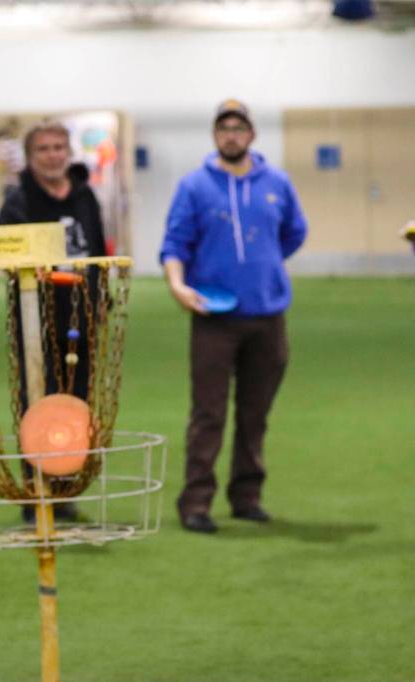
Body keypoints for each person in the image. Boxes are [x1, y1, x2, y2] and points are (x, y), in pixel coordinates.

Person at [159, 99, 307, 534]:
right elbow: (174, 244)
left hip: (268, 316)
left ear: (252, 135)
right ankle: (196, 503)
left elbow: (294, 232)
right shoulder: (194, 186)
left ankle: (247, 496)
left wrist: (262, 267)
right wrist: (177, 284)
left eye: (239, 128)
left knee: (255, 412)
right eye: (223, 128)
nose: (231, 135)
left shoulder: (277, 182)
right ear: (214, 136)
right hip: (213, 317)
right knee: (208, 413)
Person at [0, 120, 107, 524]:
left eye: (60, 147)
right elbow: (5, 257)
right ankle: (35, 494)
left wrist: (101, 302)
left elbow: (97, 250)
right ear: (30, 156)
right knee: (38, 404)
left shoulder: (85, 197)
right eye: (44, 148)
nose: (53, 155)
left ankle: (65, 491)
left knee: (75, 407)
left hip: (83, 319)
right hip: (36, 324)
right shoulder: (18, 200)